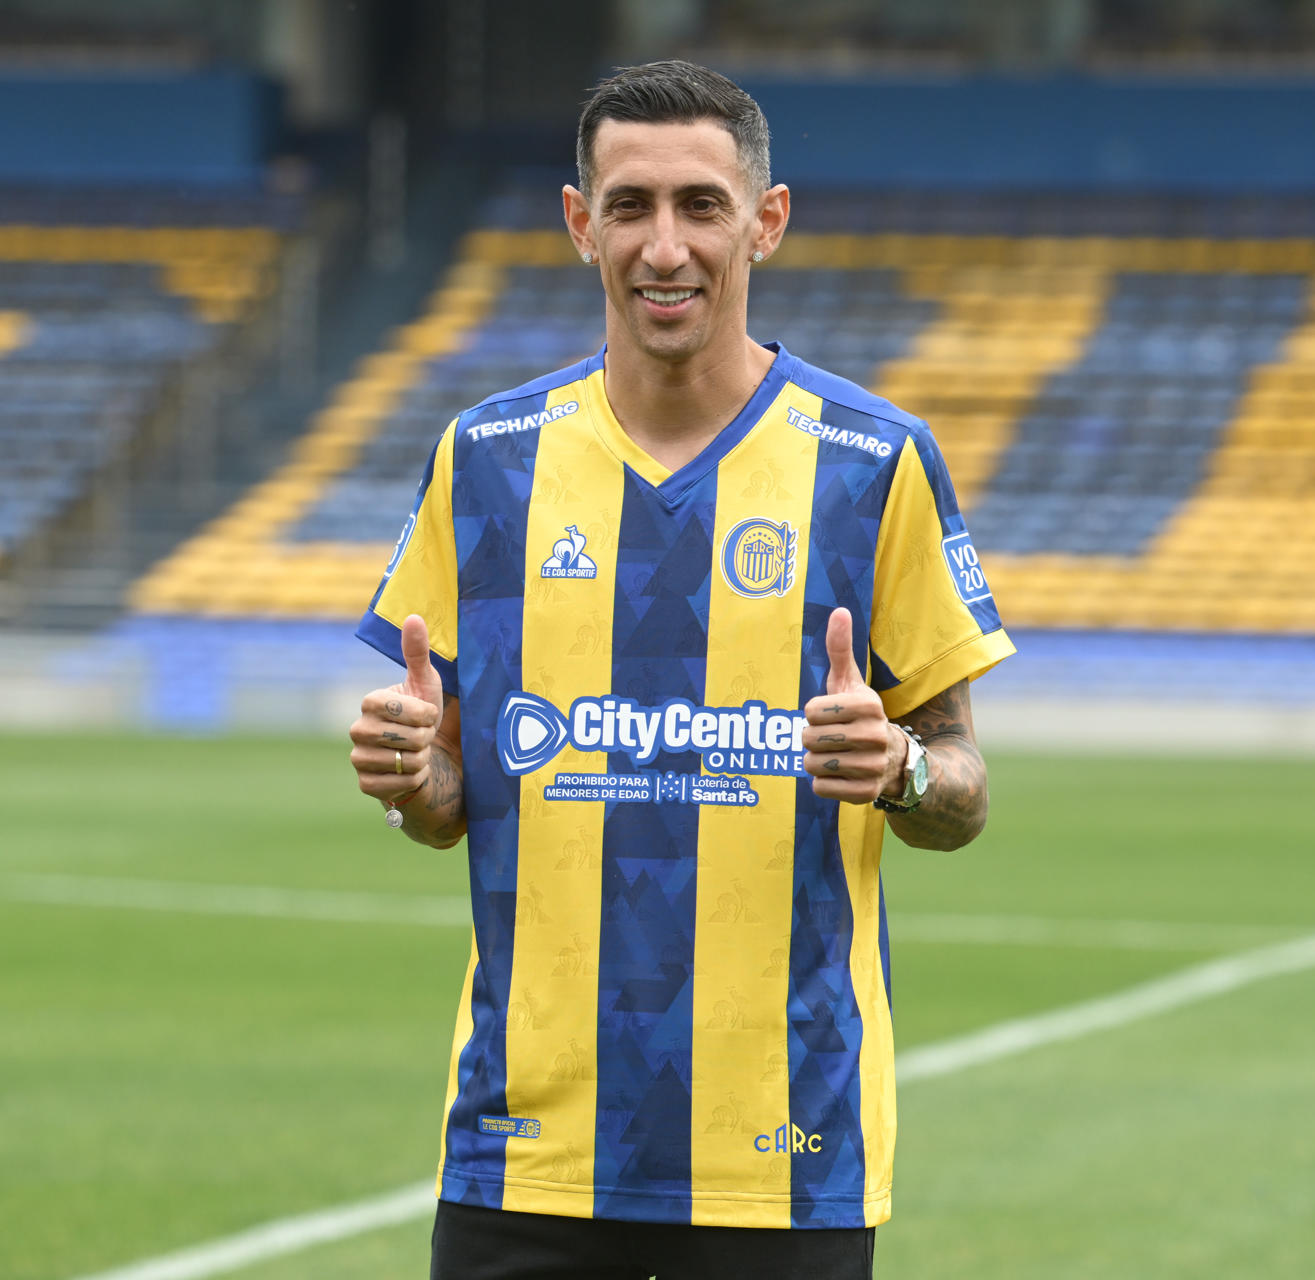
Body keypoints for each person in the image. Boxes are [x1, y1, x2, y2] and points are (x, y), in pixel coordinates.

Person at [349, 59, 1013, 1280]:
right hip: (523, 1154)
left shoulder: (876, 462)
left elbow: (963, 785)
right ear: (578, 221)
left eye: (703, 205)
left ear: (767, 220)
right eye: (632, 205)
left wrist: (904, 766)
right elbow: (447, 806)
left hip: (786, 1160)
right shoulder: (486, 457)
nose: (666, 245)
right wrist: (411, 777)